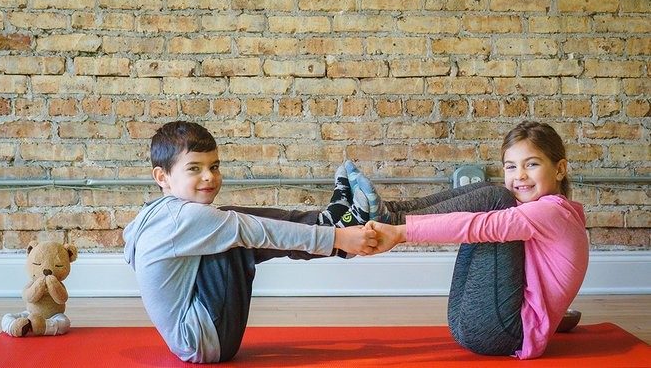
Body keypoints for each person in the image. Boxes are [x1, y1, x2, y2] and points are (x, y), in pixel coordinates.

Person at [123, 121, 378, 363]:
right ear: (162, 177)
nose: (209, 177)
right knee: (235, 229)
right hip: (206, 341)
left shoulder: (153, 215)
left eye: (214, 167)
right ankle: (334, 225)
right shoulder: (185, 217)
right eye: (194, 168)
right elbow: (263, 231)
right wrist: (340, 238)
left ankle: (331, 221)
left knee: (228, 224)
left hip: (190, 339)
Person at [351, 121, 589, 360]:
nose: (520, 176)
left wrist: (401, 233)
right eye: (511, 167)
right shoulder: (546, 212)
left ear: (560, 169)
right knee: (489, 194)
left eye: (532, 164)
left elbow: (480, 226)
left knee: (495, 199)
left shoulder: (554, 213)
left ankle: (391, 217)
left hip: (502, 333)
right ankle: (389, 213)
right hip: (472, 323)